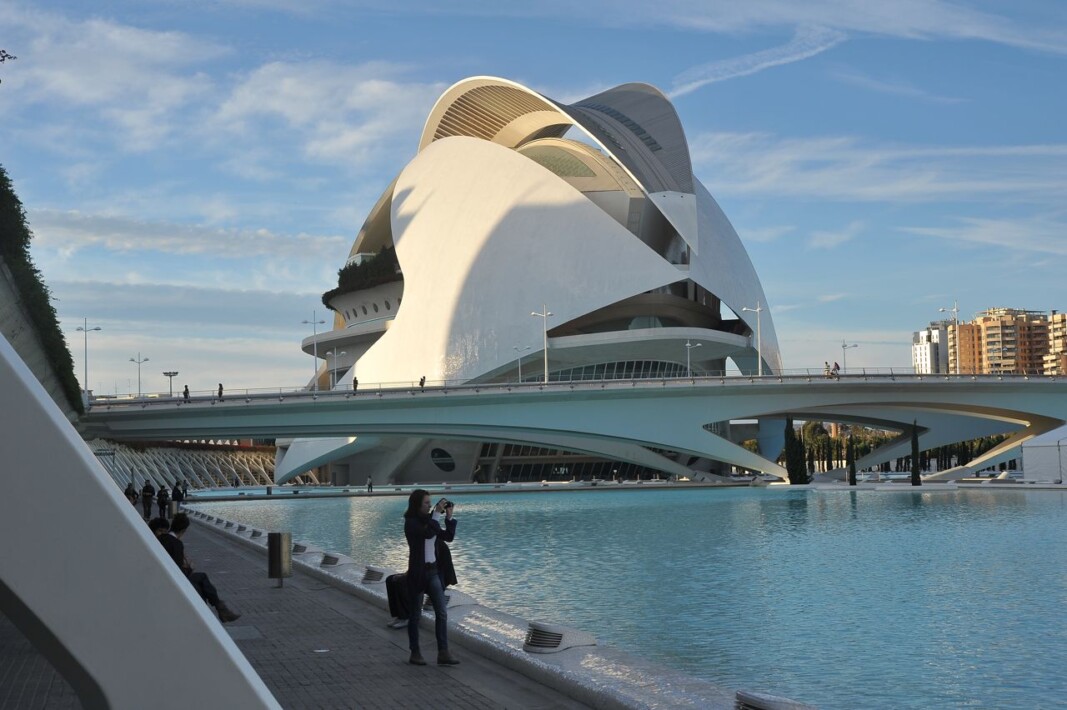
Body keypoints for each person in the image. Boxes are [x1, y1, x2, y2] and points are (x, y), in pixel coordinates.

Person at [403, 489, 458, 666]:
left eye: (430, 503)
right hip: (418, 573)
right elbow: (427, 533)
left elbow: (447, 537)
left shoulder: (430, 520)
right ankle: (415, 652)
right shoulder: (411, 523)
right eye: (426, 503)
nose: (429, 505)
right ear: (417, 505)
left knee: (441, 612)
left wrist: (448, 518)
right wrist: (435, 514)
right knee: (415, 615)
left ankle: (443, 652)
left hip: (433, 572)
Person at [160, 513, 240, 623]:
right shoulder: (176, 544)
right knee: (202, 580)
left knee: (202, 580)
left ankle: (219, 611)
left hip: (163, 575)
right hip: (171, 580)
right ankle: (219, 611)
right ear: (184, 530)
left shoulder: (162, 538)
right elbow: (178, 571)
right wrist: (189, 568)